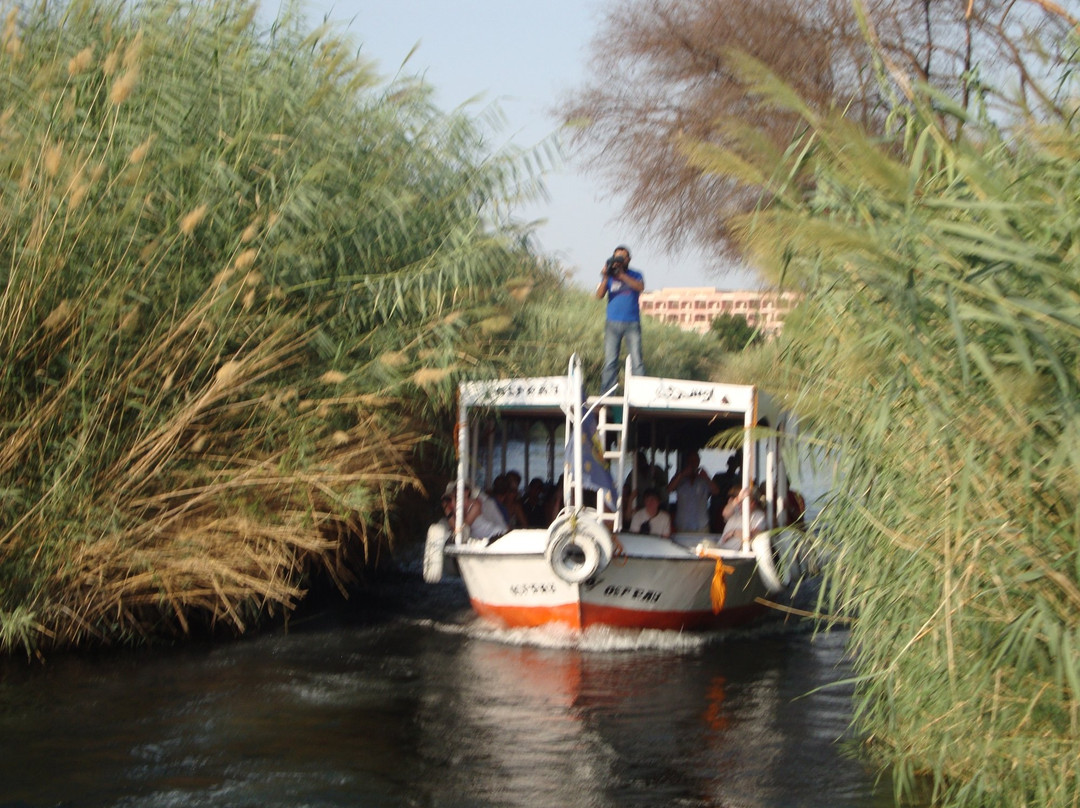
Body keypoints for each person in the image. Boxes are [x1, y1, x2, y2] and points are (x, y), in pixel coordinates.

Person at [595, 244, 645, 393]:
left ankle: (640, 393)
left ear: (628, 259)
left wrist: (622, 275)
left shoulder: (636, 274)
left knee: (637, 360)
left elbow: (640, 287)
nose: (619, 260)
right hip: (612, 323)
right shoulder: (609, 277)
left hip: (632, 323)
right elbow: (599, 295)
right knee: (610, 361)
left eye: (622, 257)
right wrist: (606, 276)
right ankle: (607, 394)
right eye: (617, 257)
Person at [667, 451, 720, 533]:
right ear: (687, 462)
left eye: (695, 461)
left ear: (699, 462)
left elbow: (716, 491)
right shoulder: (679, 478)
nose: (693, 463)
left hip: (701, 525)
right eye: (691, 461)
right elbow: (669, 489)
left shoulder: (704, 478)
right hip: (682, 525)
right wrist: (682, 474)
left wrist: (706, 477)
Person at [443, 481, 507, 539]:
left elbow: (460, 530)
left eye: (464, 488)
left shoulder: (475, 505)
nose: (460, 491)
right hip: (482, 540)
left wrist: (447, 510)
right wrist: (451, 504)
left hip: (495, 535)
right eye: (456, 489)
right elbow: (455, 527)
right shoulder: (458, 508)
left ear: (468, 491)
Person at [718, 485, 766, 549]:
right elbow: (725, 513)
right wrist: (738, 499)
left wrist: (733, 532)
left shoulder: (759, 516)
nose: (739, 504)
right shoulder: (736, 511)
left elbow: (752, 535)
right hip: (720, 549)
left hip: (734, 554)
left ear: (752, 503)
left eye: (743, 501)